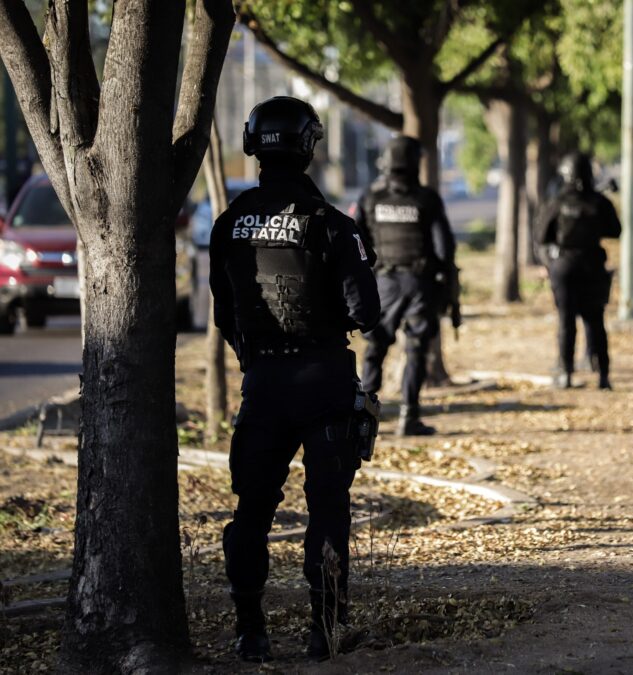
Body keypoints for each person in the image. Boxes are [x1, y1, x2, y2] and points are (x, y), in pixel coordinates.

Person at [209, 96, 381, 663]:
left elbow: (223, 313)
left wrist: (257, 359)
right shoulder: (334, 226)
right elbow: (366, 312)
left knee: (251, 511)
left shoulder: (229, 224)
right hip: (325, 382)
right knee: (327, 508)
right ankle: (323, 632)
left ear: (253, 143)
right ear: (309, 145)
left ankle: (250, 632)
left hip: (264, 384)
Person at [354, 135, 457, 436]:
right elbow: (444, 249)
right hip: (419, 286)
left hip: (383, 284)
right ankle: (409, 418)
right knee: (415, 349)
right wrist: (445, 283)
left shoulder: (370, 198)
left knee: (375, 347)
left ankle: (364, 418)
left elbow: (356, 241)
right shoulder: (426, 199)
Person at [536, 152, 622, 389]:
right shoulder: (599, 202)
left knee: (566, 321)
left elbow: (541, 236)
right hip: (592, 265)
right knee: (596, 321)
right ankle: (603, 375)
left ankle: (566, 372)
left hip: (564, 267)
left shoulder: (557, 202)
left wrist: (548, 263)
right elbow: (615, 230)